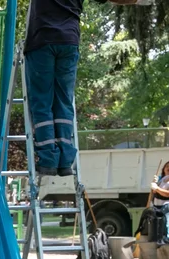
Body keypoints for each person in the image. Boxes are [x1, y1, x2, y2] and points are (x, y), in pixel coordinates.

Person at [24, 0, 140, 176]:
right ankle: (65, 161)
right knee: (63, 101)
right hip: (69, 41)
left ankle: (48, 160)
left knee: (42, 101)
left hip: (42, 40)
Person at [149, 161, 169, 245]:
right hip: (157, 206)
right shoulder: (162, 179)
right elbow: (154, 192)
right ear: (163, 169)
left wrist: (157, 188)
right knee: (157, 226)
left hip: (166, 206)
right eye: (167, 166)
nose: (168, 168)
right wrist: (155, 183)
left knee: (166, 224)